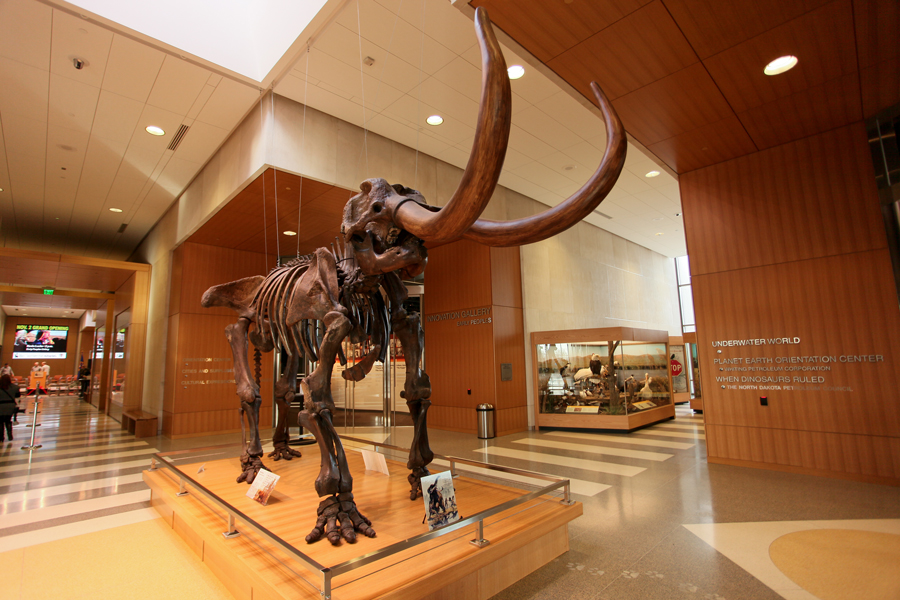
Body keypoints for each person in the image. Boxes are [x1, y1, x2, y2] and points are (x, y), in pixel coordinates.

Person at [0, 374, 20, 443]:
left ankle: (1, 437)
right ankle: (10, 435)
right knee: (8, 420)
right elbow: (17, 398)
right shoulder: (15, 387)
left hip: (0, 406)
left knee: (0, 422)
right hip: (10, 406)